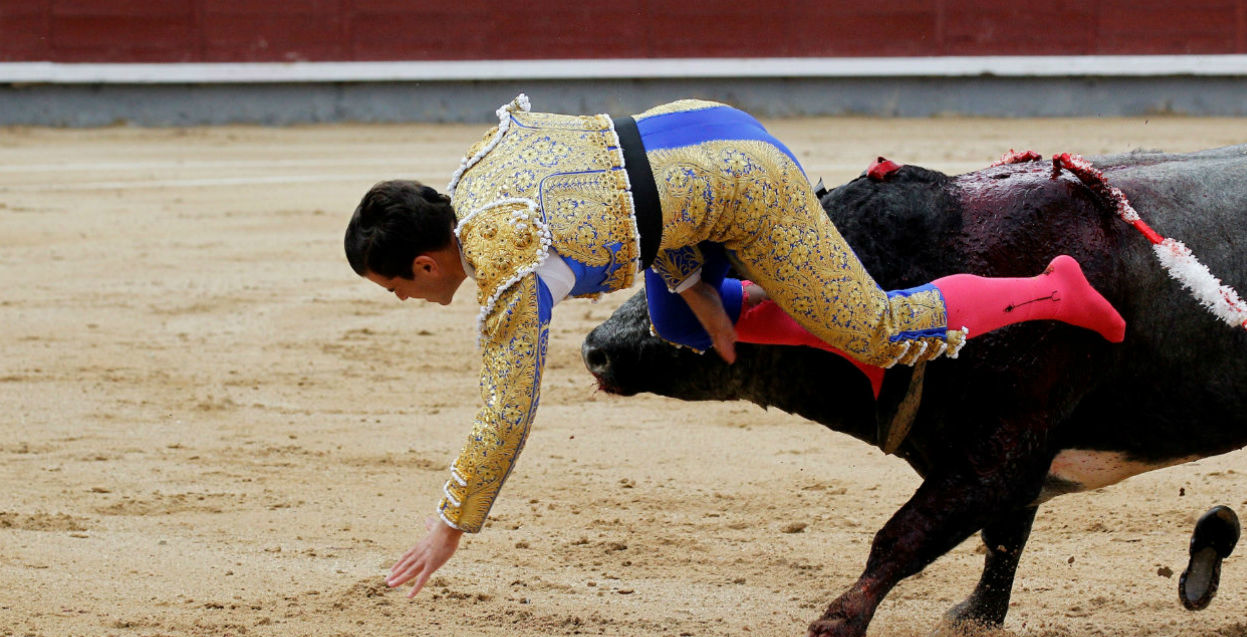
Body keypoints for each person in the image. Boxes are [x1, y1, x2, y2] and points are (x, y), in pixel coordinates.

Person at [344, 94, 1126, 598]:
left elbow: (506, 407)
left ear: (421, 262)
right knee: (683, 323)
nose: (406, 300)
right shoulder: (479, 169)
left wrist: (450, 522)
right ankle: (782, 304)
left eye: (397, 287)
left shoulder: (507, 258)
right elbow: (620, 192)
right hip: (694, 133)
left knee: (881, 330)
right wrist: (689, 284)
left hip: (747, 188)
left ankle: (1057, 289)